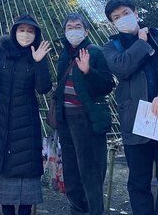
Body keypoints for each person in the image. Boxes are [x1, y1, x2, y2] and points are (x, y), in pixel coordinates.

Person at [102, 0, 158, 215]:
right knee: (138, 183)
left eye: (125, 13)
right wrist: (141, 43)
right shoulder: (111, 47)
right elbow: (122, 68)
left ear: (136, 12)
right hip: (135, 120)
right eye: (116, 17)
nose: (122, 19)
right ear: (113, 23)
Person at [0, 14, 52, 215]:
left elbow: (43, 88)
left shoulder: (37, 54)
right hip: (0, 121)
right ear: (14, 32)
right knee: (2, 172)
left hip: (26, 123)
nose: (25, 34)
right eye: (21, 30)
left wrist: (38, 62)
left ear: (36, 34)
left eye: (30, 31)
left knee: (27, 175)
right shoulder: (0, 53)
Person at [53, 13, 114, 215]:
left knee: (91, 173)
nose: (73, 30)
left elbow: (107, 85)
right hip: (65, 120)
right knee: (71, 172)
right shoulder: (64, 54)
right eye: (69, 27)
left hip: (87, 119)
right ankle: (76, 211)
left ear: (86, 31)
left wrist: (89, 71)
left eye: (77, 26)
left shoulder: (96, 52)